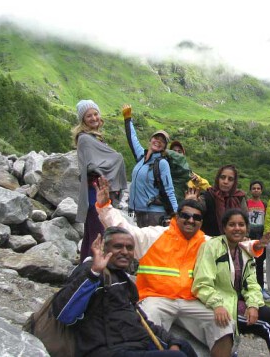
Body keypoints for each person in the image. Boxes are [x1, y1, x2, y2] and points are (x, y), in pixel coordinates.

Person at [95, 176, 235, 357]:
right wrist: (105, 206)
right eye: (185, 215)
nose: (190, 220)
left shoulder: (209, 245)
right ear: (176, 217)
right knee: (143, 326)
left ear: (202, 221)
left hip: (192, 301)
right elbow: (126, 231)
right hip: (155, 298)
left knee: (224, 324)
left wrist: (220, 304)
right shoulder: (156, 236)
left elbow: (227, 274)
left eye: (196, 217)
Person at [52, 227, 194, 357]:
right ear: (103, 248)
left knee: (183, 346)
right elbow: (64, 313)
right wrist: (93, 273)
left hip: (134, 346)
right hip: (105, 350)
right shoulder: (90, 272)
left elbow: (141, 320)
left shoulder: (122, 278)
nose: (125, 252)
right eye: (118, 246)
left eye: (129, 248)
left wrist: (171, 341)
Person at [192, 208, 270, 357]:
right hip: (224, 305)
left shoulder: (244, 250)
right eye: (232, 225)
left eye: (241, 224)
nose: (237, 228)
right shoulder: (212, 247)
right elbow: (202, 283)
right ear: (224, 228)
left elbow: (252, 284)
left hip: (240, 302)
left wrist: (253, 304)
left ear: (247, 228)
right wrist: (217, 304)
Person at [72, 99, 127, 262]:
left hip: (96, 190)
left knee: (92, 231)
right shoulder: (85, 139)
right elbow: (92, 165)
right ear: (83, 119)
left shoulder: (95, 138)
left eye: (95, 114)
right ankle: (95, 268)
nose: (94, 118)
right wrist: (116, 159)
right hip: (94, 190)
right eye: (89, 116)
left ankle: (86, 267)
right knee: (98, 232)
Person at [122, 104, 178, 227]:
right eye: (156, 138)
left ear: (164, 147)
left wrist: (176, 215)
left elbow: (169, 190)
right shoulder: (141, 157)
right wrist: (127, 119)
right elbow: (132, 138)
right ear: (150, 140)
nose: (158, 141)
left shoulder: (162, 163)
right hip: (135, 212)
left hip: (153, 214)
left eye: (162, 141)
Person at [189, 164, 247, 237]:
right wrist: (191, 203)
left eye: (230, 179)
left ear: (234, 182)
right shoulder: (208, 196)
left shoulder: (239, 197)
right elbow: (194, 212)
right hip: (209, 243)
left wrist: (245, 237)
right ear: (218, 179)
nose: (226, 181)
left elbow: (245, 221)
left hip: (233, 243)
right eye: (223, 177)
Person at [247, 180, 267, 291]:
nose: (256, 190)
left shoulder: (264, 204)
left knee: (259, 263)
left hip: (260, 235)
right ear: (250, 190)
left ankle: (260, 287)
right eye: (254, 188)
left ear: (261, 191)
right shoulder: (246, 203)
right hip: (248, 235)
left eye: (258, 188)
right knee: (247, 262)